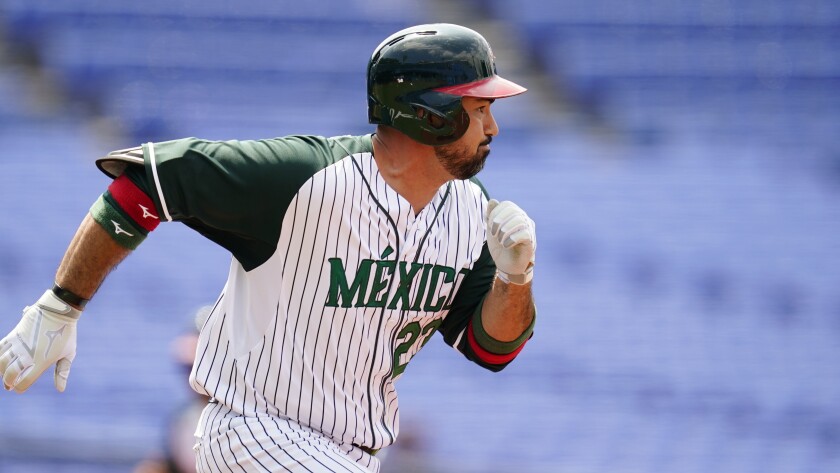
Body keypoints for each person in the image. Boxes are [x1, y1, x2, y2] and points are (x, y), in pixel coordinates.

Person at [0, 23, 537, 473]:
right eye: (479, 106)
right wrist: (60, 306)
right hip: (253, 434)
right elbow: (150, 182)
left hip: (351, 453)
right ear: (429, 112)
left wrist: (514, 279)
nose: (492, 124)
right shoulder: (305, 178)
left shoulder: (471, 213)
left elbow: (491, 348)